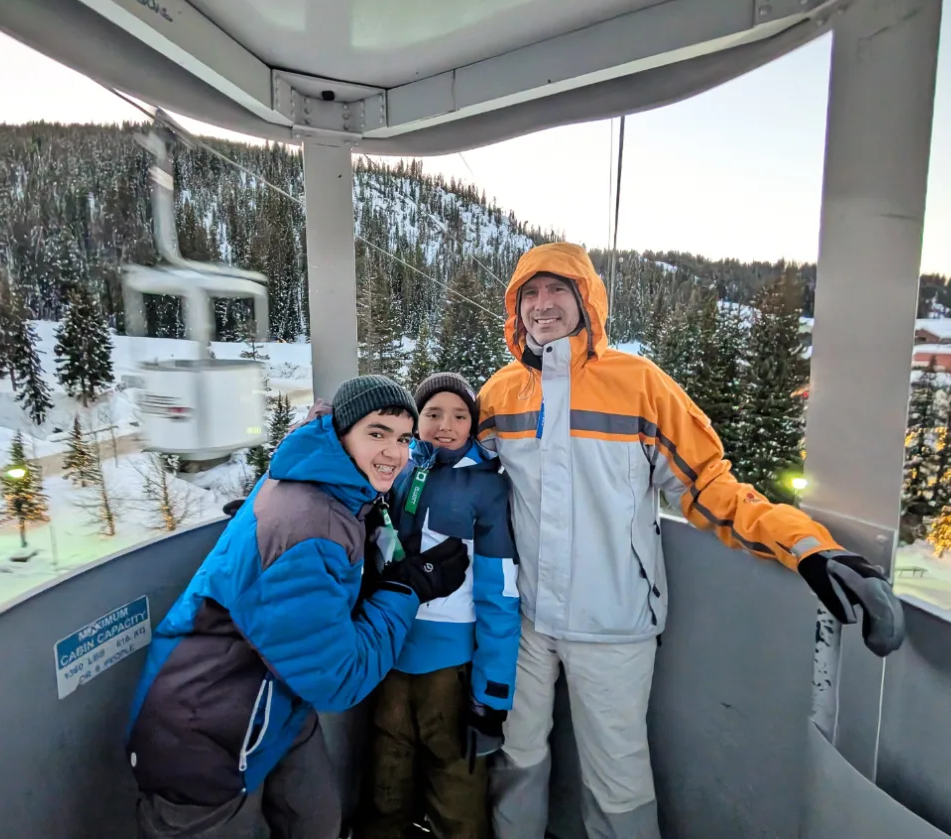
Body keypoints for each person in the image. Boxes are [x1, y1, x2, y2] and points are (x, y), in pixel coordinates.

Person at [477, 242, 906, 839]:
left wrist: (809, 547)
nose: (542, 304)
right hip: (523, 617)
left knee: (617, 778)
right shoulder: (501, 394)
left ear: (586, 301)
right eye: (529, 292)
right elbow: (454, 469)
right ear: (514, 306)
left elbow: (710, 487)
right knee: (515, 757)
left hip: (615, 621)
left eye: (557, 290)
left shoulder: (640, 385)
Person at [125, 375, 472, 839]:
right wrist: (406, 590)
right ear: (342, 432)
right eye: (377, 433)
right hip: (205, 728)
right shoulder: (307, 527)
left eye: (403, 438)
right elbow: (339, 678)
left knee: (317, 821)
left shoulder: (332, 485)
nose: (394, 452)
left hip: (275, 701)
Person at [357, 373, 521, 839]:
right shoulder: (399, 469)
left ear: (473, 424)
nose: (444, 425)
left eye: (458, 415)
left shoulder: (487, 488)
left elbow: (500, 593)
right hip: (390, 651)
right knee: (386, 777)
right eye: (432, 414)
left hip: (450, 668)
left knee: (456, 782)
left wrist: (492, 693)